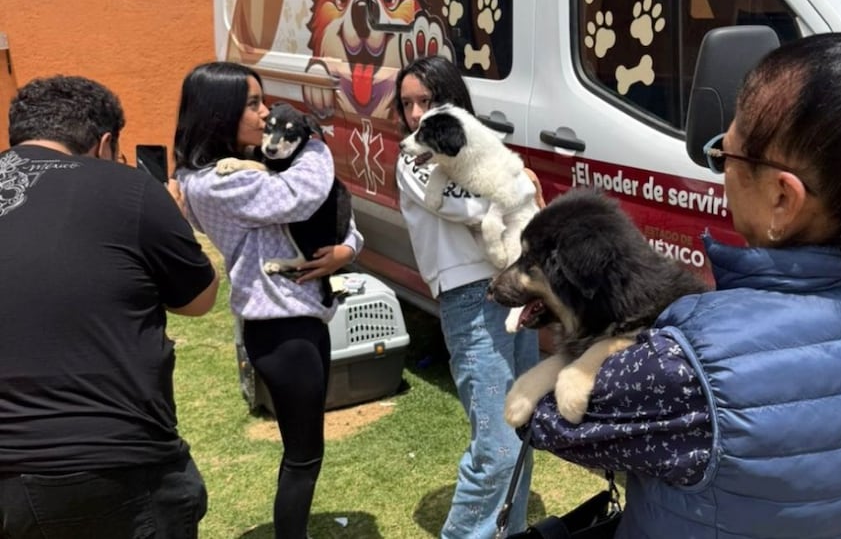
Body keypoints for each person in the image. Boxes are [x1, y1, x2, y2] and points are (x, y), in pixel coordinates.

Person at [523, 33, 841, 538]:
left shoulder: (685, 372)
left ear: (782, 199)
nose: (723, 174)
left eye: (725, 157)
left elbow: (544, 418)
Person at [0, 75, 220, 539]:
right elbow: (199, 300)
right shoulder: (129, 188)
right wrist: (174, 219)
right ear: (104, 144)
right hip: (112, 466)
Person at [173, 62, 364, 539]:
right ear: (219, 113)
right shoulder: (214, 181)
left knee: (306, 454)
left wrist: (348, 249)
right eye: (253, 104)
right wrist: (316, 140)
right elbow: (304, 194)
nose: (264, 115)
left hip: (303, 316)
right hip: (278, 326)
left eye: (263, 102)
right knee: (303, 456)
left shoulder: (256, 166)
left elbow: (332, 209)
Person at [394, 56, 540, 539]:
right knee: (497, 445)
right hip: (470, 299)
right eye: (407, 103)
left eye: (426, 102)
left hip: (515, 289)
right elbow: (470, 207)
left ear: (450, 101)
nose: (415, 114)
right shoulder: (412, 156)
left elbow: (509, 195)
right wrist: (517, 188)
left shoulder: (476, 145)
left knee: (523, 432)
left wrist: (516, 191)